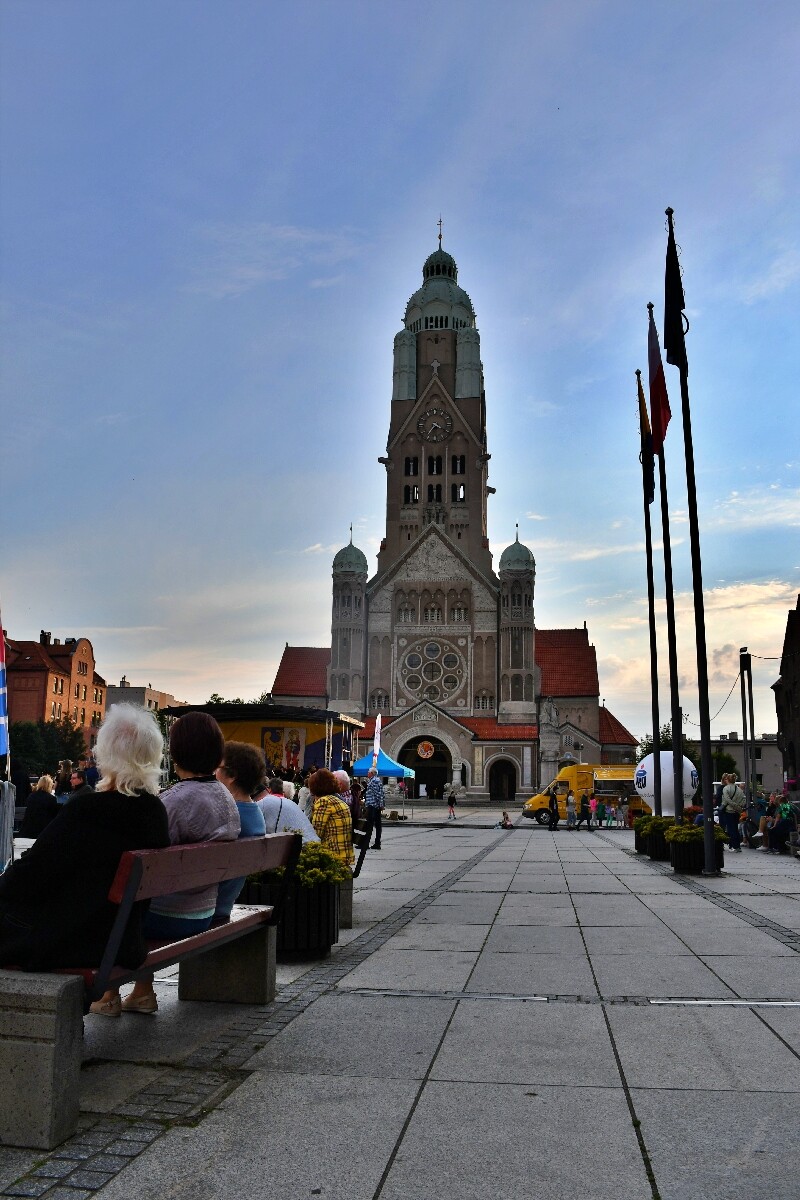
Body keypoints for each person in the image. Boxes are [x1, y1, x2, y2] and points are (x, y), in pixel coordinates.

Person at [90, 709, 240, 1016]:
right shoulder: (226, 797)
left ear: (175, 753)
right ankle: (142, 992)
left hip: (170, 915)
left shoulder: (174, 801)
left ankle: (107, 994)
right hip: (204, 908)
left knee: (120, 908)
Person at [0, 704, 169, 973]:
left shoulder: (88, 809)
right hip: (122, 939)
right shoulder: (155, 811)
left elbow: (30, 874)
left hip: (69, 941)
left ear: (107, 755)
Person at [213, 741, 268, 919]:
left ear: (232, 775)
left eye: (217, 767)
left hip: (205, 909)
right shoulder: (254, 813)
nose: (213, 773)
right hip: (224, 905)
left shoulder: (226, 815)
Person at [308, 768, 354, 866]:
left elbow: (315, 833)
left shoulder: (324, 802)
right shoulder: (337, 799)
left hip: (332, 856)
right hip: (344, 855)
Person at [253, 777, 319, 843]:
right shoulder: (289, 802)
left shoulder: (264, 802)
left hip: (303, 847)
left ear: (269, 790)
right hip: (313, 844)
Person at [719, 773, 745, 852]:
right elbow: (743, 800)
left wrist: (733, 805)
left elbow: (726, 800)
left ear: (728, 780)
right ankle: (738, 846)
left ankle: (734, 846)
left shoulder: (726, 788)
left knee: (731, 829)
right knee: (735, 828)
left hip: (728, 811)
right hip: (737, 812)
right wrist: (738, 807)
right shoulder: (739, 789)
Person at [363, 767, 385, 849]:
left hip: (374, 806)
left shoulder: (375, 781)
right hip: (374, 805)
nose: (367, 773)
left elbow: (378, 794)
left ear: (372, 773)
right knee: (376, 825)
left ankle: (368, 843)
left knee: (371, 824)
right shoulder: (374, 780)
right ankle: (376, 843)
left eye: (368, 772)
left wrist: (380, 805)